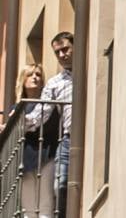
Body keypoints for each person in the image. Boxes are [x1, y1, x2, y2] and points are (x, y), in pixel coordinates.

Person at [13, 63, 59, 218]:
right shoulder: (17, 108)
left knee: (46, 203)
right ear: (23, 80)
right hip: (24, 159)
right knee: (28, 208)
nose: (35, 78)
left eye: (38, 75)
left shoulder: (49, 106)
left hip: (47, 155)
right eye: (30, 74)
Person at [37, 33, 73, 218]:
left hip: (93, 137)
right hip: (67, 139)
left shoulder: (90, 70)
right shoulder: (54, 83)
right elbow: (40, 115)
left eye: (65, 49)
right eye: (57, 52)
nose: (61, 55)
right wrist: (18, 122)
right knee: (60, 185)